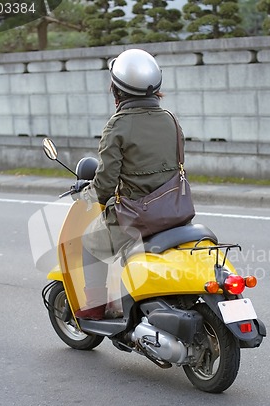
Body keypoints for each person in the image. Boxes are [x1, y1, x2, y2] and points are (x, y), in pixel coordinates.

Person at [75, 48, 185, 320]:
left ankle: (96, 306)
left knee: (89, 242)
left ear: (117, 92)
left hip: (137, 217)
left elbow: (104, 184)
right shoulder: (171, 120)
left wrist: (84, 197)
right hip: (176, 210)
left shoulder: (117, 126)